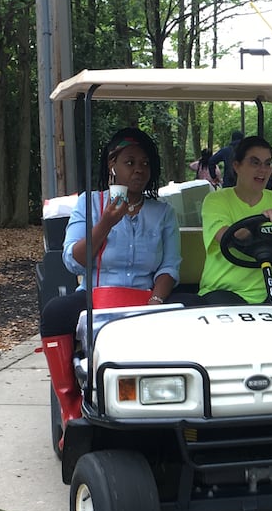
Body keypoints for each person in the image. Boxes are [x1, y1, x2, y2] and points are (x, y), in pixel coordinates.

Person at [39, 127, 181, 434]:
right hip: (98, 295)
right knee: (54, 313)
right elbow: (72, 259)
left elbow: (169, 266)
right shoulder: (90, 204)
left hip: (145, 295)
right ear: (112, 166)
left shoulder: (162, 213)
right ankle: (71, 407)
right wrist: (105, 223)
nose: (139, 169)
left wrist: (156, 300)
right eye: (130, 162)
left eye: (144, 163)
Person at [199, 135, 272, 306]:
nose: (263, 170)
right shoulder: (216, 201)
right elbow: (228, 238)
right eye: (255, 163)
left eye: (267, 163)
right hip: (225, 290)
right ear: (237, 166)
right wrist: (261, 223)